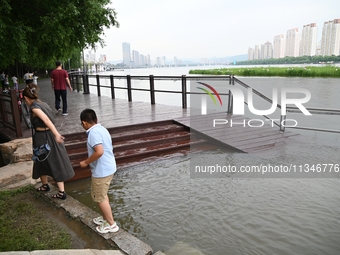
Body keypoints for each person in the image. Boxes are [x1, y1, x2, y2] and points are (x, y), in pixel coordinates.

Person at [22, 83, 75, 199]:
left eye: (24, 100)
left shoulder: (34, 107)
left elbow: (46, 119)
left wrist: (57, 134)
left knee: (42, 160)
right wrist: (54, 134)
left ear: (26, 98)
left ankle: (55, 189)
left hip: (43, 136)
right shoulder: (43, 103)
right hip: (48, 135)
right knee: (51, 160)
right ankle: (51, 187)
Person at [79, 108, 119, 234]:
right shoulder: (102, 129)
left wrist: (86, 162)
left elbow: (99, 151)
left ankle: (112, 224)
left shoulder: (93, 133)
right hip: (109, 167)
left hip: (102, 171)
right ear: (96, 119)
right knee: (103, 194)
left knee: (99, 197)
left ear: (84, 123)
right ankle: (106, 218)